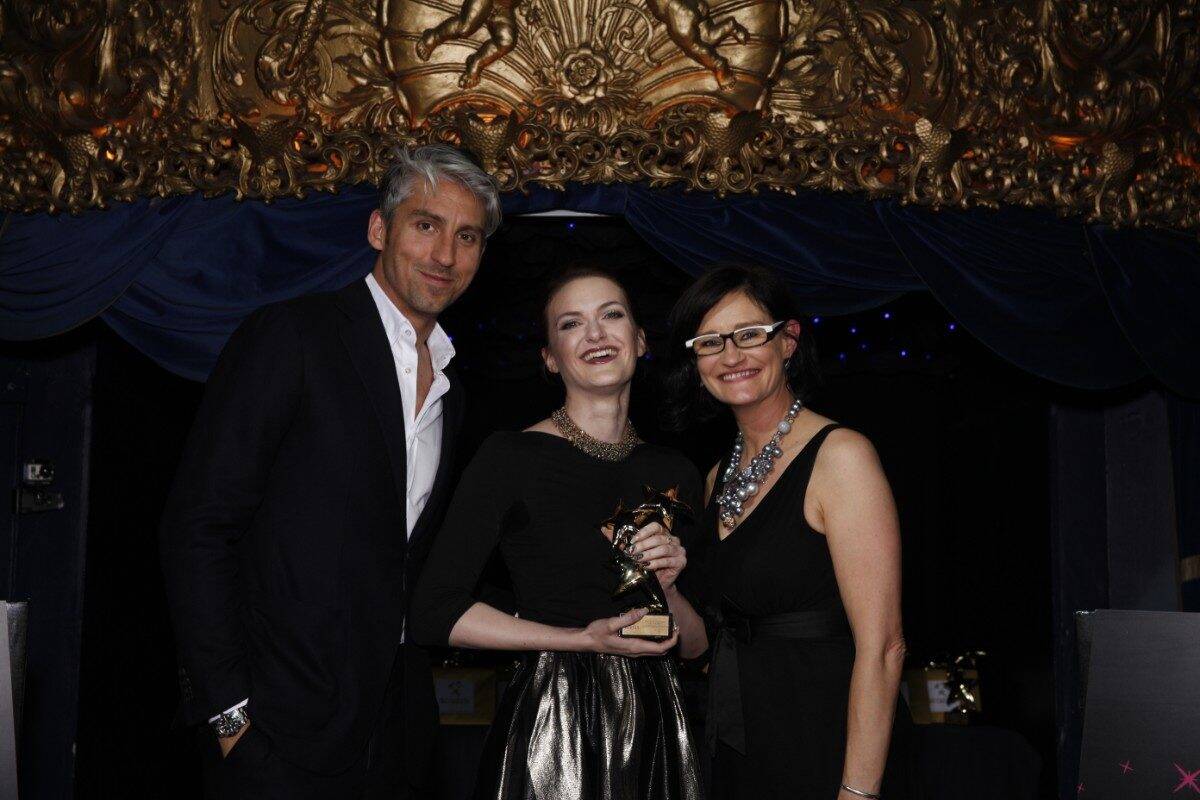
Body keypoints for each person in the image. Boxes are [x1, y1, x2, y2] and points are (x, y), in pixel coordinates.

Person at [159, 144, 501, 799]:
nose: (444, 254)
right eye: (425, 225)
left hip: (392, 739)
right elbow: (197, 527)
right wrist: (227, 714)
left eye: (467, 237)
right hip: (274, 734)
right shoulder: (293, 336)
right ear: (379, 229)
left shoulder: (452, 389)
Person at [409, 265, 707, 800]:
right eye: (571, 323)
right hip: (555, 719)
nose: (595, 334)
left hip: (659, 724)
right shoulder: (510, 457)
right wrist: (581, 640)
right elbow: (435, 612)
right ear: (550, 358)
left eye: (611, 315)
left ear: (640, 340)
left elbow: (696, 645)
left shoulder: (677, 472)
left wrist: (668, 586)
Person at [661, 264, 913, 800]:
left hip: (830, 743)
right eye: (710, 342)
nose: (731, 356)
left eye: (750, 334)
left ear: (789, 341)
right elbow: (703, 643)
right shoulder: (716, 477)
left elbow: (885, 646)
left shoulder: (842, 457)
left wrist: (858, 792)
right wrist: (663, 587)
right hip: (743, 744)